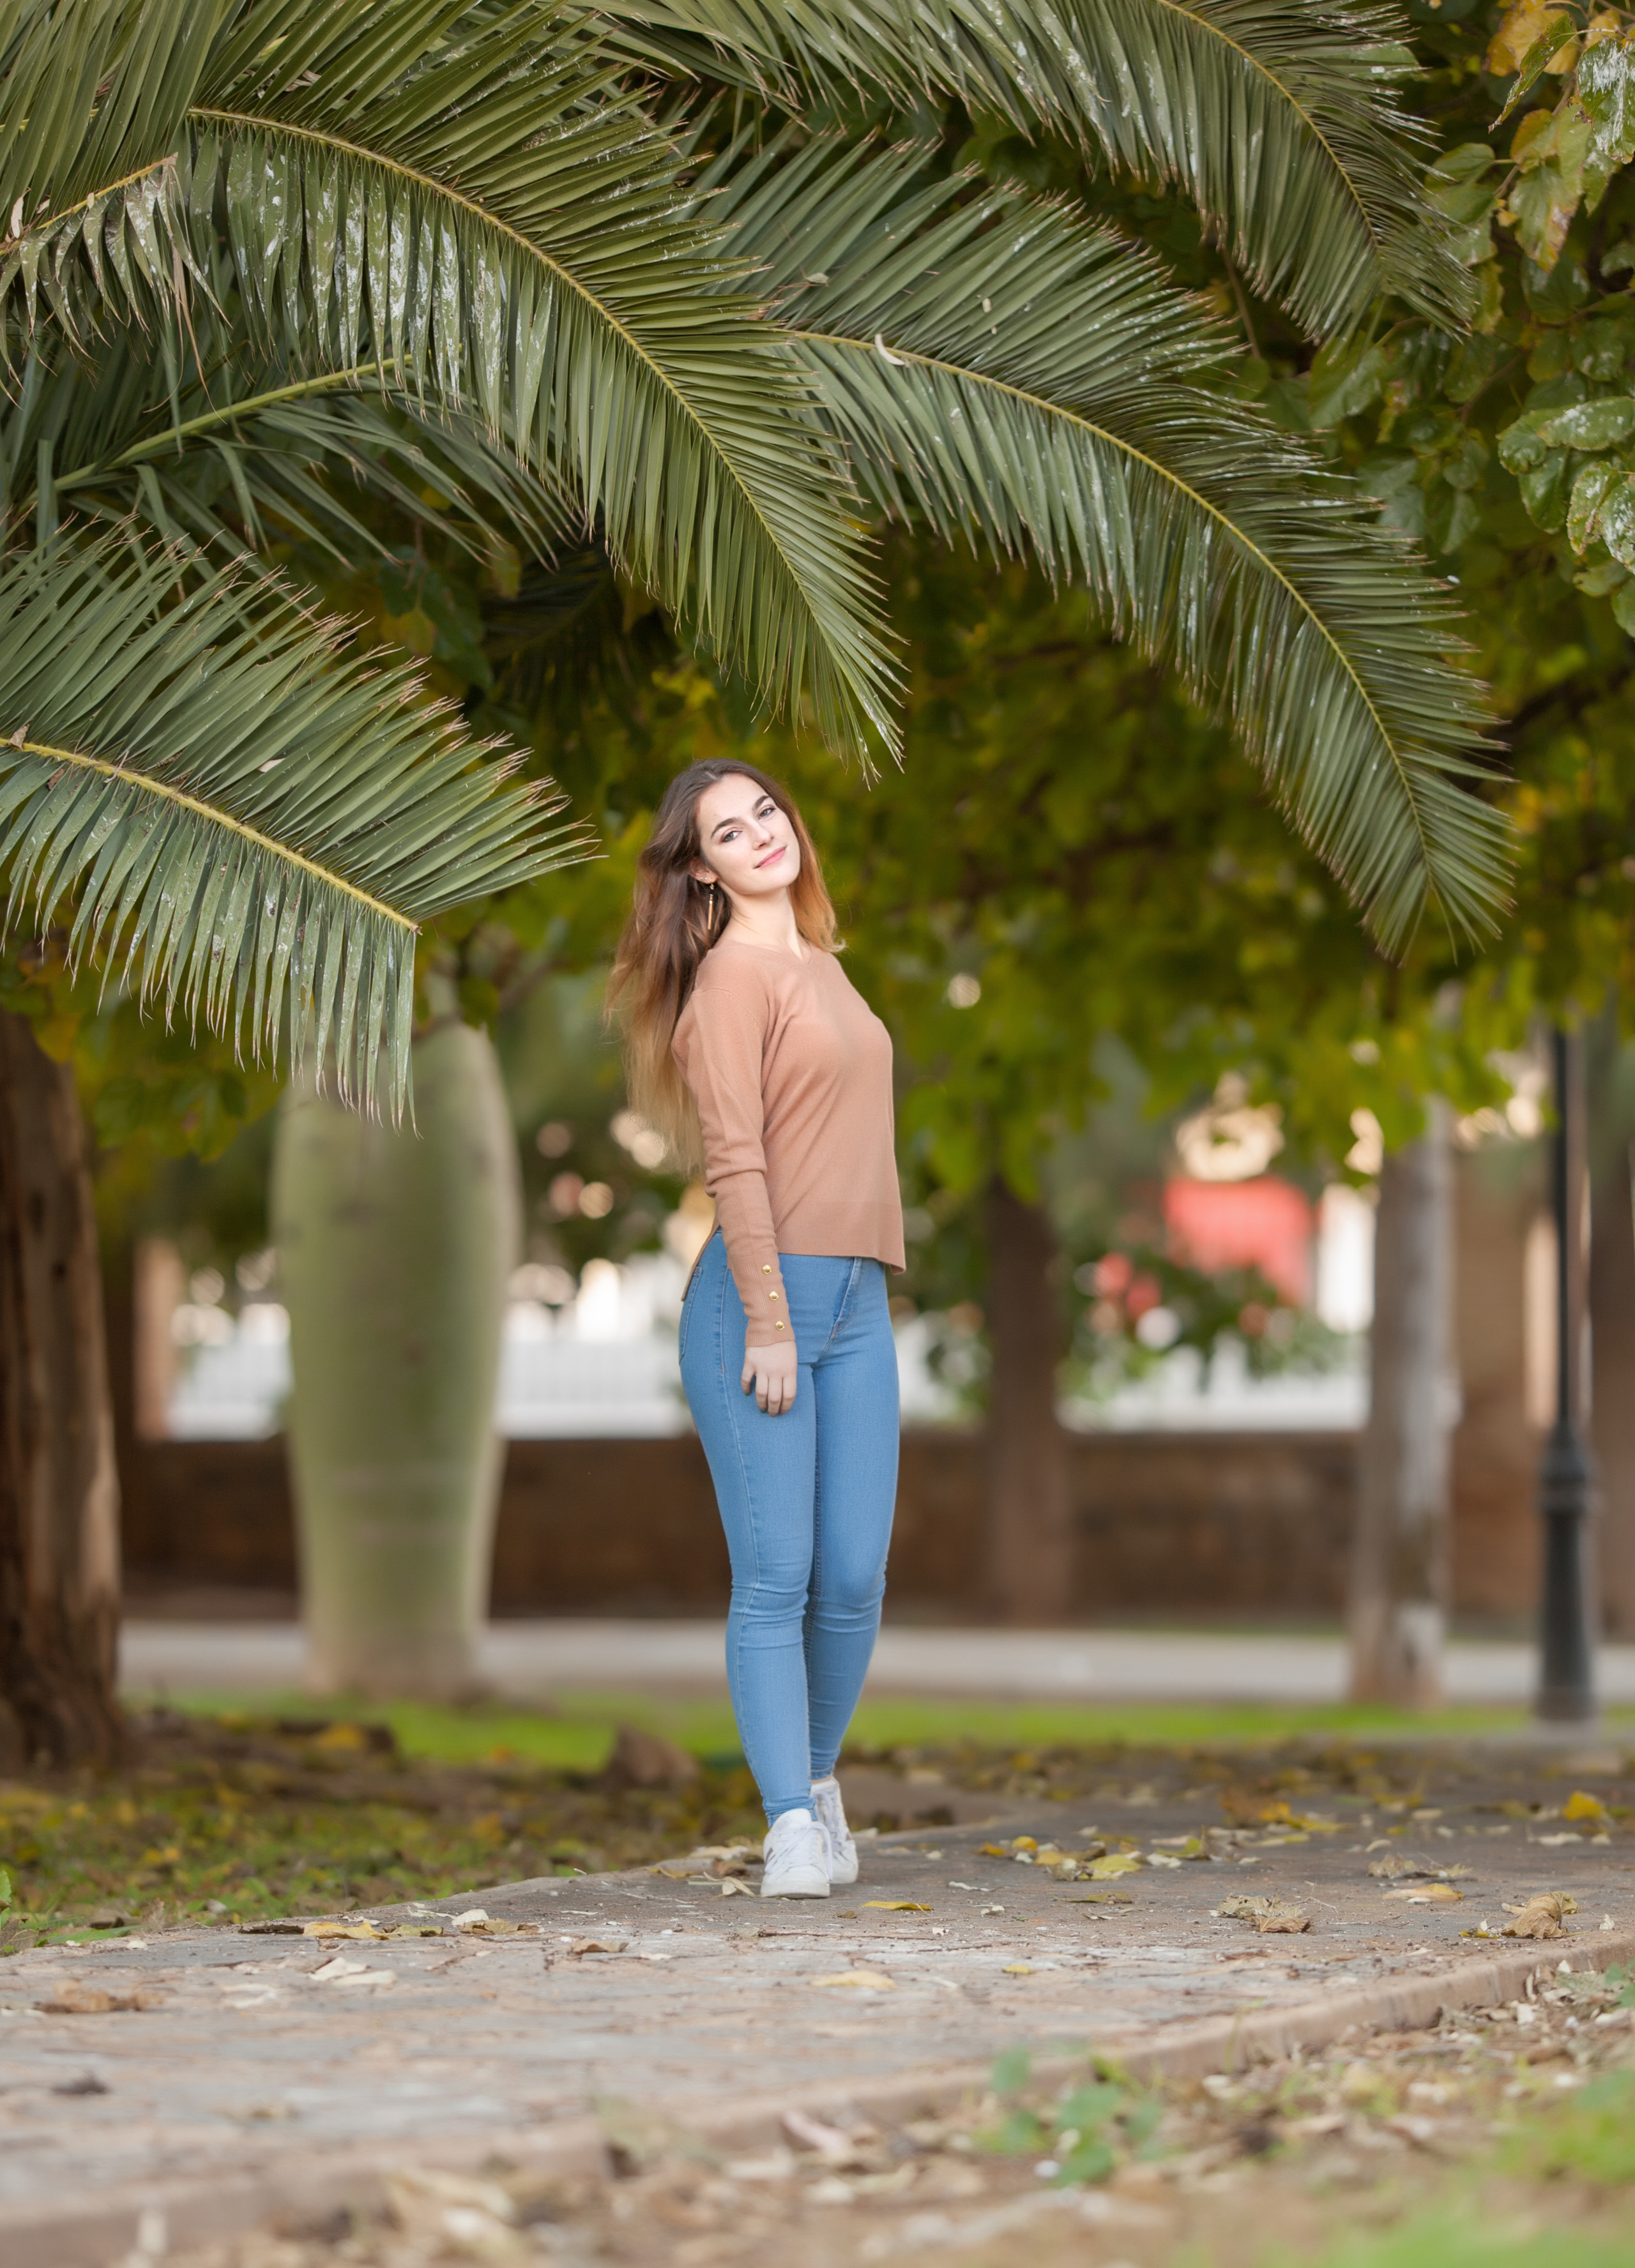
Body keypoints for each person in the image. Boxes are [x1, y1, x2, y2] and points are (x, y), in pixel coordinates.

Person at [609, 761, 903, 1897]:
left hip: (858, 1305)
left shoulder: (822, 966)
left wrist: (830, 1311)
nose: (761, 835)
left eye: (767, 812)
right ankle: (788, 1821)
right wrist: (772, 1325)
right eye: (729, 832)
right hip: (756, 1306)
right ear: (701, 868)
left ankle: (818, 1783)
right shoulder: (731, 981)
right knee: (777, 1574)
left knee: (855, 1578)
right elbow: (736, 1159)